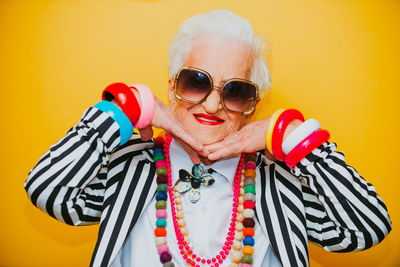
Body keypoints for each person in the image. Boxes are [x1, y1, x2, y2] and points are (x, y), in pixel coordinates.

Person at [24, 10, 391, 267]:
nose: (213, 104)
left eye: (235, 91)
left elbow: (366, 228)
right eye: (195, 82)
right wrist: (124, 108)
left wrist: (295, 139)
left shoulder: (281, 183)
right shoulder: (127, 167)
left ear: (252, 105)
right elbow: (47, 189)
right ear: (171, 89)